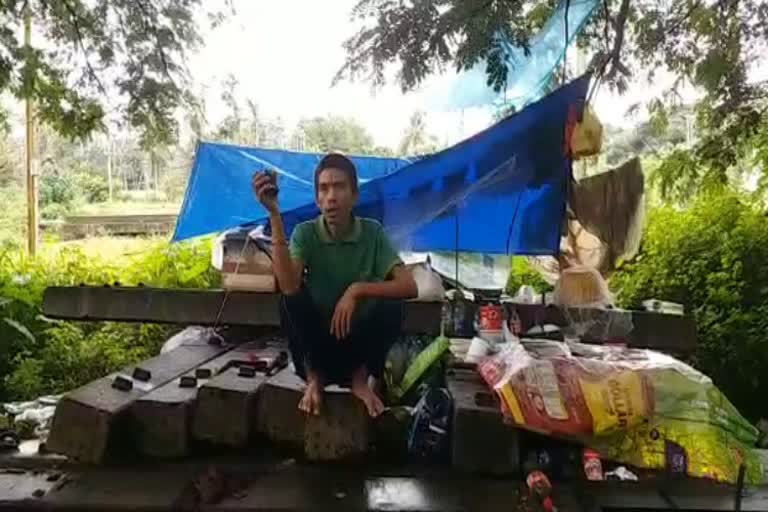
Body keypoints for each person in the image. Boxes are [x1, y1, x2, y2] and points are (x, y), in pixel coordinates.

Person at [252, 153, 417, 418]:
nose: (331, 196)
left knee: (392, 304)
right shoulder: (306, 233)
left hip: (358, 346)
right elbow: (288, 285)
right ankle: (314, 379)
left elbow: (409, 286)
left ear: (354, 196)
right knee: (289, 300)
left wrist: (357, 290)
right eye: (324, 188)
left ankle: (360, 380)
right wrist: (274, 213)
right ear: (317, 199)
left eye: (339, 187)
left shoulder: (372, 232)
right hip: (318, 347)